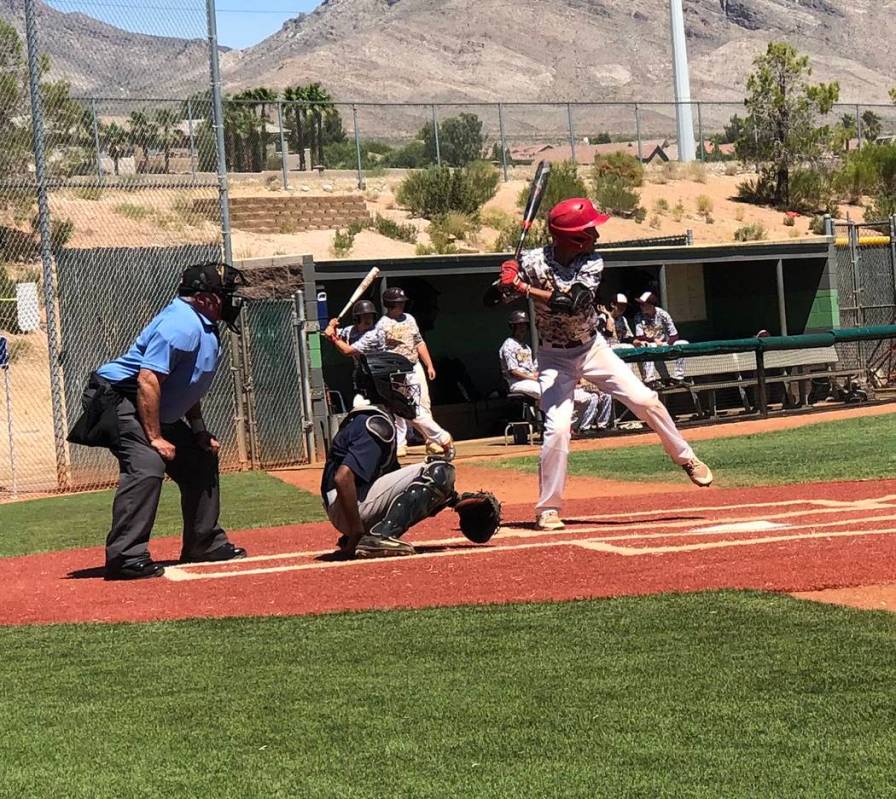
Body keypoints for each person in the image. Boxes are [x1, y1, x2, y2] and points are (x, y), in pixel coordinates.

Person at [495, 197, 713, 530]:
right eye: (589, 230)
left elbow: (571, 301)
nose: (595, 235)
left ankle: (685, 457)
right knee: (556, 431)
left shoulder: (593, 262)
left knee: (645, 400)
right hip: (554, 357)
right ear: (574, 238)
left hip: (591, 348)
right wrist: (505, 278)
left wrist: (522, 286)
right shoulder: (532, 261)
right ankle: (548, 509)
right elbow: (493, 297)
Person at [67, 263, 248, 580]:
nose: (231, 300)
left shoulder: (204, 324)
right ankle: (125, 557)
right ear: (203, 297)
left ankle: (203, 543)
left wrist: (198, 430)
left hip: (149, 402)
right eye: (224, 293)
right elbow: (147, 380)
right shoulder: (181, 325)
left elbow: (188, 385)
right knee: (148, 464)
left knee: (199, 458)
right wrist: (155, 437)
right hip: (119, 396)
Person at [321, 353, 499, 558]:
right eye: (399, 382)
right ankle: (380, 536)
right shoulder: (376, 424)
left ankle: (370, 535)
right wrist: (355, 533)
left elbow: (392, 480)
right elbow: (343, 478)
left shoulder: (374, 416)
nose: (405, 388)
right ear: (382, 385)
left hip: (347, 504)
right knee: (439, 470)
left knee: (430, 475)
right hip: (346, 506)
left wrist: (452, 500)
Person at [499, 310, 610, 433]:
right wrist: (534, 378)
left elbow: (532, 369)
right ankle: (550, 426)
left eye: (524, 325)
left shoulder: (526, 347)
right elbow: (513, 371)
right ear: (513, 326)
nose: (522, 328)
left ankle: (567, 425)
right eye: (519, 325)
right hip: (517, 382)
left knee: (575, 395)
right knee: (546, 392)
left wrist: (539, 374)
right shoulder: (509, 345)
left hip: (532, 380)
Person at [375, 286, 454, 458]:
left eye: (402, 303)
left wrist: (429, 365)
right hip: (396, 370)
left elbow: (419, 342)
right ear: (390, 304)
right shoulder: (382, 324)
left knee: (423, 403)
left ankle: (431, 441)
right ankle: (401, 444)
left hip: (414, 365)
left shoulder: (409, 319)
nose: (401, 306)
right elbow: (380, 351)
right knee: (401, 407)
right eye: (398, 303)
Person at [632, 291, 690, 388]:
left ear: (651, 305)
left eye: (643, 304)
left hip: (664, 344)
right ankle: (650, 380)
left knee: (683, 343)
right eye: (640, 304)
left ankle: (678, 378)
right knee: (649, 346)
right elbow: (640, 336)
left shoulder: (663, 314)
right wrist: (654, 340)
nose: (641, 306)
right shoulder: (638, 316)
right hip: (650, 345)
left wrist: (667, 344)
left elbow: (674, 334)